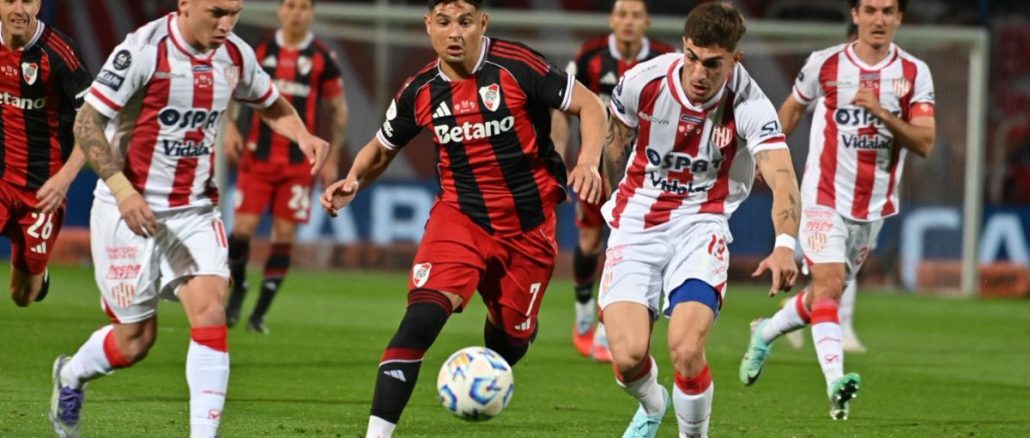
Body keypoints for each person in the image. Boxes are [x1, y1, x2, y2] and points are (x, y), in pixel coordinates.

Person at [320, 1, 605, 436]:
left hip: (529, 228)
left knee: (509, 344)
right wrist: (355, 178)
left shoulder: (517, 65)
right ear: (428, 26)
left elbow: (591, 107)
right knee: (421, 317)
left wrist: (587, 161)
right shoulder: (419, 91)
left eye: (465, 22)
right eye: (444, 22)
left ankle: (508, 333)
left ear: (482, 24)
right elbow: (381, 147)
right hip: (460, 219)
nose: (455, 32)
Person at [48, 1, 329, 437]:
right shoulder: (144, 49)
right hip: (128, 208)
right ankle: (71, 375)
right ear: (185, 4)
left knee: (211, 309)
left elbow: (271, 104)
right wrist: (123, 192)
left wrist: (303, 134)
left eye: (234, 11)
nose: (227, 23)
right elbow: (87, 123)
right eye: (217, 11)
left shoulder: (235, 55)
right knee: (135, 341)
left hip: (195, 209)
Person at [598, 3, 801, 437]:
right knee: (629, 357)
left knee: (686, 350)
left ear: (734, 60)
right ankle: (653, 404)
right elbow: (615, 146)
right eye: (692, 56)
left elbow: (782, 176)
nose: (699, 72)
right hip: (636, 224)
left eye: (713, 63)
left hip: (701, 225)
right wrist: (615, 208)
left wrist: (785, 244)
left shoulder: (749, 103)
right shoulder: (642, 81)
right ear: (683, 48)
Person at [740, 0, 935, 420]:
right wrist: (765, 157)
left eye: (887, 11)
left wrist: (880, 112)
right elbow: (792, 109)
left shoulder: (914, 73)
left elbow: (924, 142)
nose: (878, 19)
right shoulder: (824, 65)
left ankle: (765, 333)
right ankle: (836, 386)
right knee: (828, 283)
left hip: (874, 207)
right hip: (823, 196)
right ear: (855, 15)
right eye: (870, 10)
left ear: (899, 17)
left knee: (824, 294)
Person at [551, 0, 675, 363]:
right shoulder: (590, 56)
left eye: (636, 15)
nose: (628, 22)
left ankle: (609, 327)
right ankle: (584, 309)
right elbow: (562, 104)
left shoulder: (665, 59)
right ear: (612, 20)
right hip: (596, 166)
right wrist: (560, 148)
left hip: (646, 173)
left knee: (626, 245)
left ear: (647, 22)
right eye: (622, 14)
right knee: (590, 242)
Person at [223, 0, 348, 334]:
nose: (296, 12)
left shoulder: (323, 59)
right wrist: (231, 126)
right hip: (256, 158)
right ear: (280, 11)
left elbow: (338, 111)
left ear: (312, 14)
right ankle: (239, 290)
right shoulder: (259, 51)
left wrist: (332, 157)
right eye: (291, 5)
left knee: (283, 235)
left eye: (303, 7)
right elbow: (232, 90)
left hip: (297, 165)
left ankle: (259, 313)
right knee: (242, 231)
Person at [0, 0, 92, 307]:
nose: (19, 10)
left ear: (38, 4)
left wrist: (65, 179)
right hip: (1, 178)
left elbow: (92, 123)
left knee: (22, 295)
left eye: (28, 1)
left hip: (43, 189)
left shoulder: (60, 52)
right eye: (9, 0)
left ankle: (37, 280)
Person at [784, 22, 869, 354]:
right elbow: (794, 107)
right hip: (824, 191)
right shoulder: (828, 76)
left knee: (836, 272)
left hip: (864, 196)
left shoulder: (889, 85)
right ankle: (841, 334)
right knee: (830, 267)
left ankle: (782, 318)